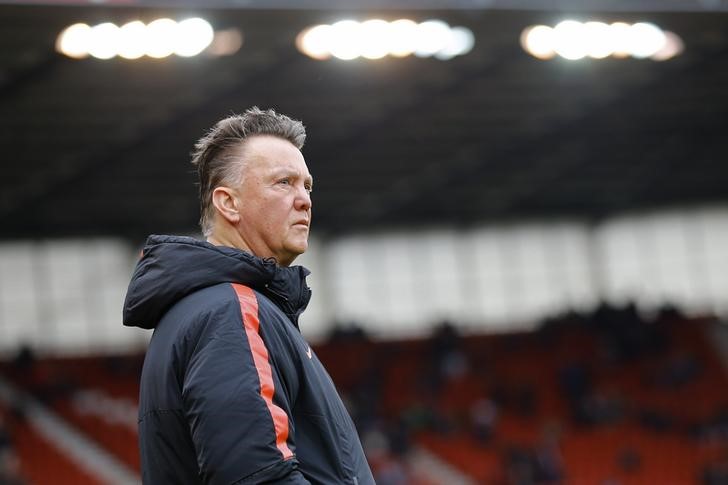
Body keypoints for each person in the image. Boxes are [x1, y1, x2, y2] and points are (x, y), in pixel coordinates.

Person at [123, 107, 375, 484]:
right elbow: (257, 476)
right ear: (228, 203)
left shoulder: (215, 305)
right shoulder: (229, 309)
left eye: (307, 186)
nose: (305, 200)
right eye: (283, 183)